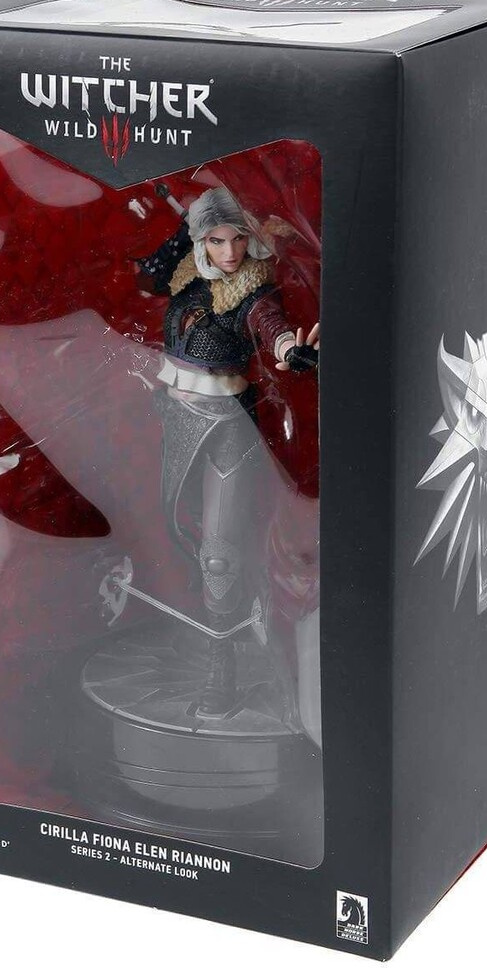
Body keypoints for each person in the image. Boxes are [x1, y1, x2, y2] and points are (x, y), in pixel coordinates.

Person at [137, 186, 319, 715]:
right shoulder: (186, 277)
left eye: (237, 238)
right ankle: (220, 628)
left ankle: (223, 668)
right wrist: (185, 229)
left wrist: (291, 349)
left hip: (226, 429)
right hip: (175, 418)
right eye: (216, 241)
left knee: (219, 553)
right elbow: (147, 278)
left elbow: (271, 325)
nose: (230, 252)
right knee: (183, 532)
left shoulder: (253, 289)